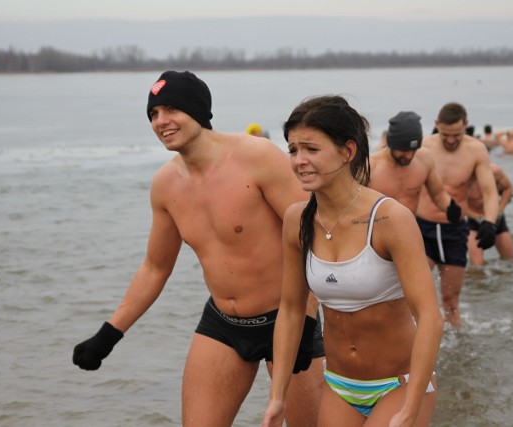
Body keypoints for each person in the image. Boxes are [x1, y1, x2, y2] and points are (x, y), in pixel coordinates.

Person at [72, 71, 324, 427]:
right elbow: (155, 268)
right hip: (223, 324)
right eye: (153, 114)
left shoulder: (258, 158)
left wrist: (307, 318)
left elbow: (311, 239)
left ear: (198, 110)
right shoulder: (165, 186)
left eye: (171, 109)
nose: (161, 121)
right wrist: (109, 333)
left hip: (289, 319)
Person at [262, 95, 443, 426]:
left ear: (348, 151)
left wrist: (412, 406)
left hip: (399, 385)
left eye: (311, 149)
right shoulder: (296, 221)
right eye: (292, 150)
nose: (299, 160)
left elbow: (429, 314)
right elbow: (290, 310)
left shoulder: (390, 219)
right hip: (340, 386)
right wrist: (278, 396)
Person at [415, 102, 499, 328]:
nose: (451, 140)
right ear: (436, 125)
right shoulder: (423, 147)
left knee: (451, 300)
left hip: (454, 230)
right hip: (422, 228)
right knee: (411, 296)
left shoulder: (476, 150)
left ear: (466, 125)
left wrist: (491, 222)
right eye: (445, 134)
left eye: (457, 134)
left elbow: (490, 191)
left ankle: (459, 351)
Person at [369, 111, 462, 222]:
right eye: (403, 150)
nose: (409, 156)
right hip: (378, 234)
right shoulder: (370, 167)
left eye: (413, 150)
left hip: (410, 231)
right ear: (391, 144)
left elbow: (439, 194)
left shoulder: (424, 159)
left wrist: (452, 208)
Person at [466, 163, 513, 265]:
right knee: (477, 266)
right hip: (474, 220)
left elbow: (508, 188)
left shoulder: (494, 171)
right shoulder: (462, 176)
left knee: (510, 261)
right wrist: (478, 217)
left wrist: (500, 210)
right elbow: (457, 203)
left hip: (495, 218)